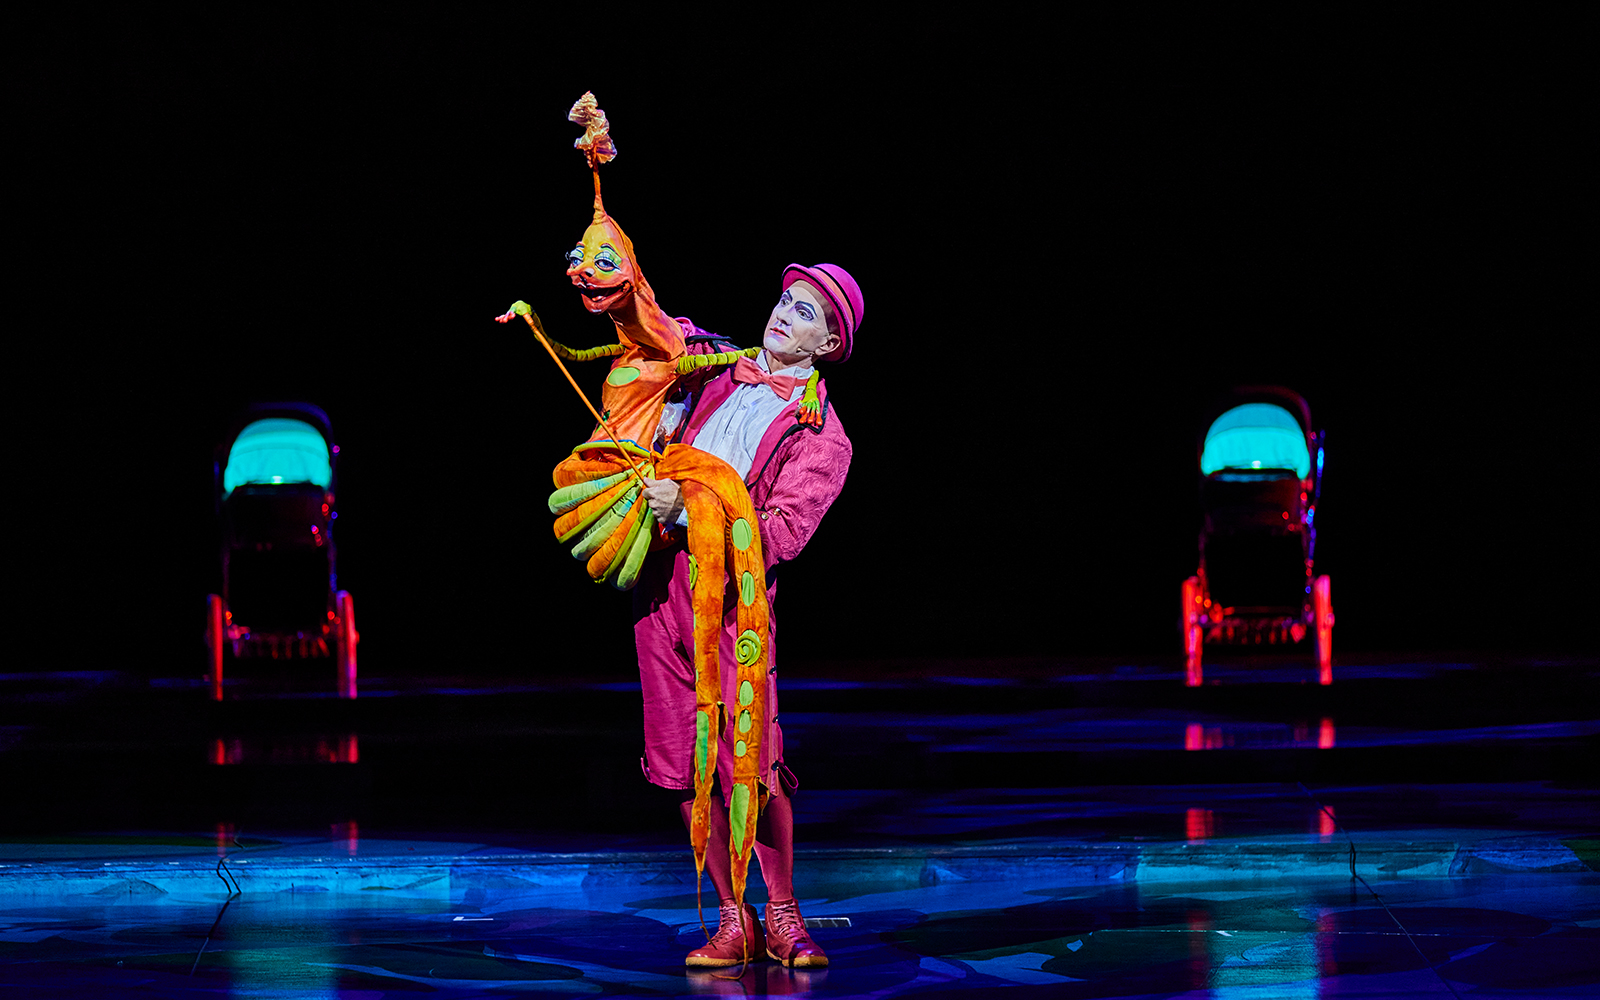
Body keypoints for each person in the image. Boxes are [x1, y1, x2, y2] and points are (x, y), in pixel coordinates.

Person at [635, 262, 860, 968]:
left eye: (807, 313)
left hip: (737, 608)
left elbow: (781, 534)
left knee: (748, 763)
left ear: (827, 345)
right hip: (662, 596)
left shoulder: (822, 436)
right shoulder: (712, 364)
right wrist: (605, 243)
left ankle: (784, 914)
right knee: (682, 766)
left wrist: (695, 507)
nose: (785, 314)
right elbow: (644, 321)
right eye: (786, 301)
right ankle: (733, 920)